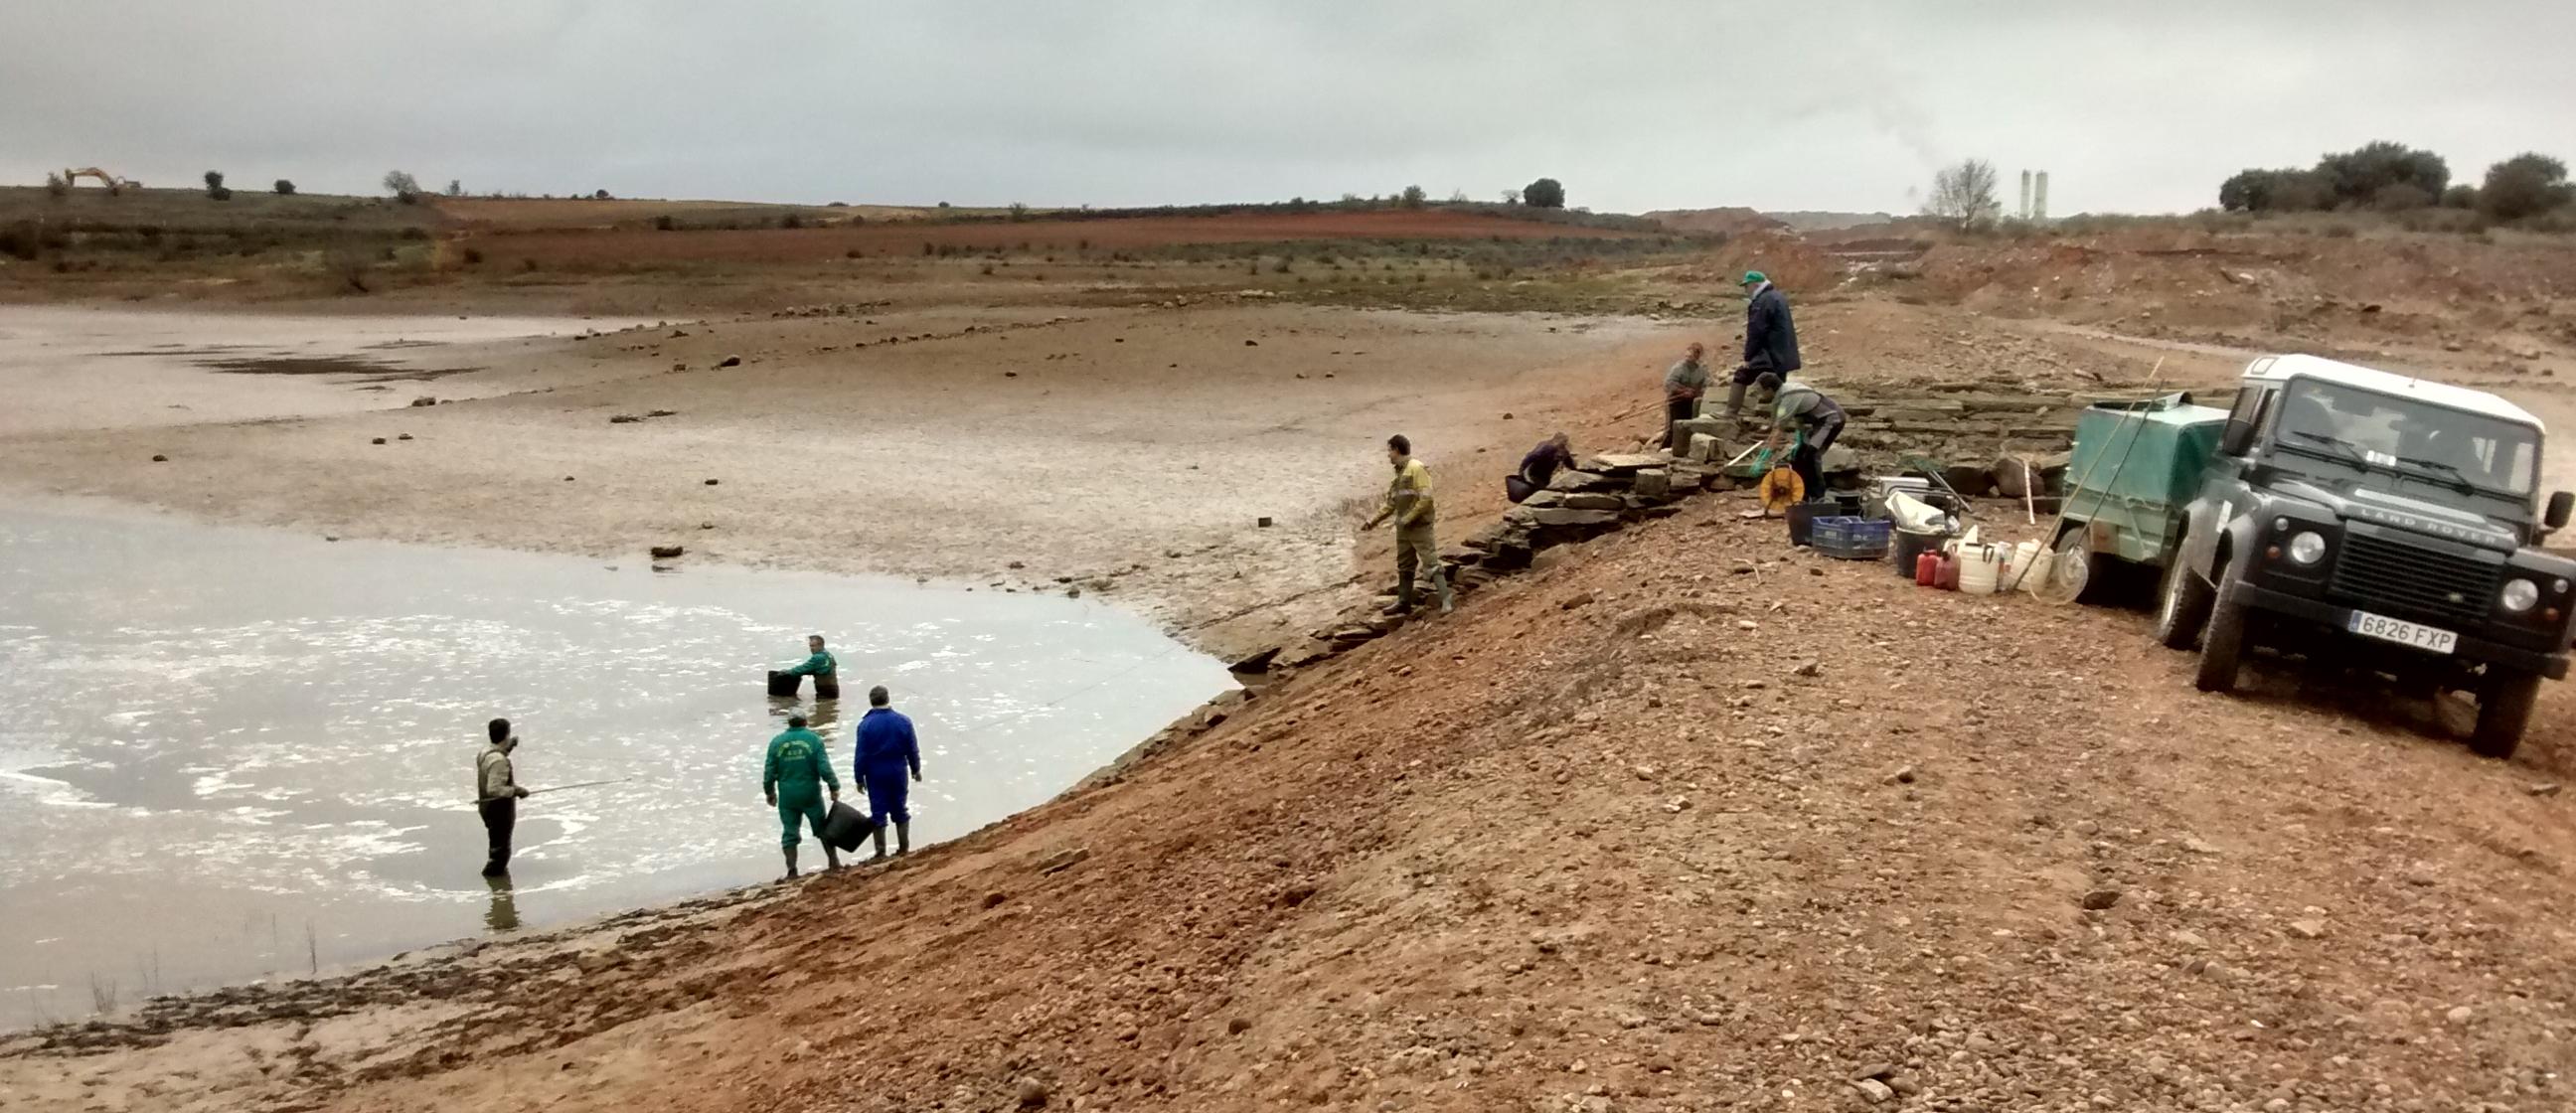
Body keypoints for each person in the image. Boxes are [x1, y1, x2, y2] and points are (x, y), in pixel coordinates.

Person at [1361, 434, 1453, 615]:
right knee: (1405, 565)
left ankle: (1446, 599)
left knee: (1431, 562)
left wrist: (1408, 518)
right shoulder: (1400, 473)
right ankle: (1404, 602)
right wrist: (1372, 520)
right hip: (1404, 527)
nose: (1388, 455)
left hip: (1419, 526)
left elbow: (1426, 498)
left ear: (1396, 450)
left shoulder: (1416, 469)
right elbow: (1391, 503)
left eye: (1389, 450)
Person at [762, 714, 842, 878]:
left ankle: (792, 870)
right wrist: (833, 786)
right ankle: (834, 862)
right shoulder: (814, 740)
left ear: (789, 724)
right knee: (822, 828)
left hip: (787, 795)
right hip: (811, 792)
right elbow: (824, 767)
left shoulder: (777, 742)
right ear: (805, 723)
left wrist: (769, 791)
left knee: (790, 832)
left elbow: (769, 771)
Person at [852, 686, 923, 860]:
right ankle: (904, 848)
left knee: (878, 811)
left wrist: (859, 777)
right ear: (887, 698)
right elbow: (912, 749)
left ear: (871, 700)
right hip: (898, 769)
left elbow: (860, 754)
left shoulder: (865, 725)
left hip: (875, 772)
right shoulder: (904, 721)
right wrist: (916, 768)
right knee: (900, 807)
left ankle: (880, 852)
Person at [1725, 271, 1803, 421]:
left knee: (1742, 374)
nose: (1745, 290)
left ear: (1755, 285)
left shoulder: (1762, 301)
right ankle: (1780, 418)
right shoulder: (1777, 296)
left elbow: (1756, 331)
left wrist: (1748, 357)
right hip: (1783, 352)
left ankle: (1730, 412)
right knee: (1777, 385)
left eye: (1746, 286)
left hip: (1770, 353)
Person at [1755, 373, 1846, 498]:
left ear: (1769, 389)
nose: (1759, 394)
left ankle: (1818, 496)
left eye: (1760, 390)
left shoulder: (1788, 396)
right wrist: (1800, 438)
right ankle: (1802, 492)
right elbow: (1780, 421)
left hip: (1832, 419)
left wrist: (1766, 455)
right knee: (1798, 456)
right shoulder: (1781, 397)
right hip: (1818, 423)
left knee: (1811, 455)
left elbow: (1779, 429)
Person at [475, 717, 531, 877]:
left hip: (486, 808)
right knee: (500, 853)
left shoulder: (485, 752)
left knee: (497, 846)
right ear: (506, 735)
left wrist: (509, 747)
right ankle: (493, 882)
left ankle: (497, 886)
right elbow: (494, 789)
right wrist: (517, 791)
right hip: (498, 811)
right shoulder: (500, 761)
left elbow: (495, 763)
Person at [1664, 343, 1712, 452]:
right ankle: (1663, 450)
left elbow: (1706, 385)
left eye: (1693, 355)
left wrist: (1697, 393)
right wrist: (1683, 390)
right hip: (1675, 402)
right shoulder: (1678, 368)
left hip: (1691, 403)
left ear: (1698, 356)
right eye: (1688, 354)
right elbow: (1669, 384)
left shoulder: (1702, 370)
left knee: (1688, 426)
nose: (1689, 357)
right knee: (1671, 429)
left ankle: (1682, 450)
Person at [1507, 432, 1574, 503]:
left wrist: (1576, 470)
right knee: (1539, 489)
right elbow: (1529, 458)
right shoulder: (1547, 449)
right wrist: (1521, 471)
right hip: (1534, 472)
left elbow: (1569, 463)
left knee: (1541, 488)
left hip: (1545, 475)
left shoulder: (1563, 452)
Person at [782, 634, 839, 699]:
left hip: (825, 690)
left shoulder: (818, 657)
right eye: (810, 646)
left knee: (822, 707)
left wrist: (788, 672)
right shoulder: (828, 655)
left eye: (813, 646)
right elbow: (820, 669)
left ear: (820, 645)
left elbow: (803, 668)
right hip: (833, 689)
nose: (811, 649)